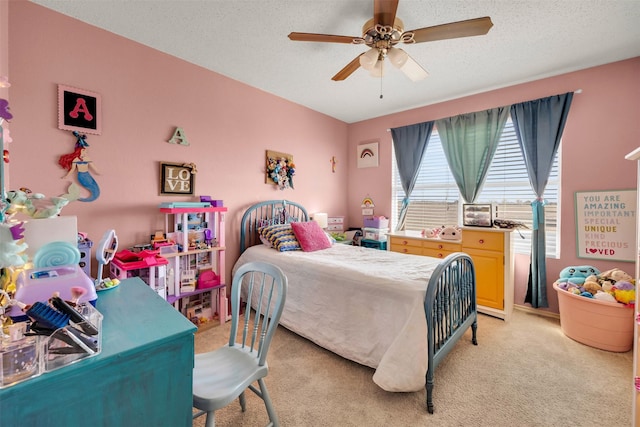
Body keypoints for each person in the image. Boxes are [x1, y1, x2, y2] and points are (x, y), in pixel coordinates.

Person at [58, 131, 100, 202]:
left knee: (94, 187)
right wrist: (66, 176)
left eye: (86, 152)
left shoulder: (87, 159)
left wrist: (98, 172)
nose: (86, 153)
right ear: (80, 151)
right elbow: (72, 169)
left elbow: (93, 167)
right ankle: (81, 197)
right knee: (91, 186)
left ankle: (90, 197)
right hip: (81, 175)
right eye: (84, 151)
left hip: (87, 174)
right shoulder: (76, 159)